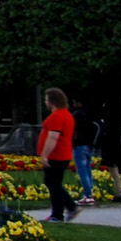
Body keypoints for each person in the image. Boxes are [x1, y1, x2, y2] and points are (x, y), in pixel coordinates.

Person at [38, 87, 77, 222]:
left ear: (52, 101)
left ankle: (58, 214)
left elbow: (53, 137)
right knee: (54, 183)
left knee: (52, 183)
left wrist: (44, 155)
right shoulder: (66, 114)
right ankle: (68, 207)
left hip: (56, 155)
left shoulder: (57, 116)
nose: (45, 102)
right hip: (63, 154)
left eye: (46, 99)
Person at [99, 97, 121, 202]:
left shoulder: (109, 123)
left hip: (111, 149)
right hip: (115, 147)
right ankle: (119, 191)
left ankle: (119, 193)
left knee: (114, 171)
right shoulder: (116, 121)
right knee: (115, 171)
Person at [71, 98, 99, 207]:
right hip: (89, 144)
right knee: (87, 169)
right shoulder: (91, 113)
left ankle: (87, 195)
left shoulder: (78, 114)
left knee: (82, 170)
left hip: (79, 144)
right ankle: (89, 193)